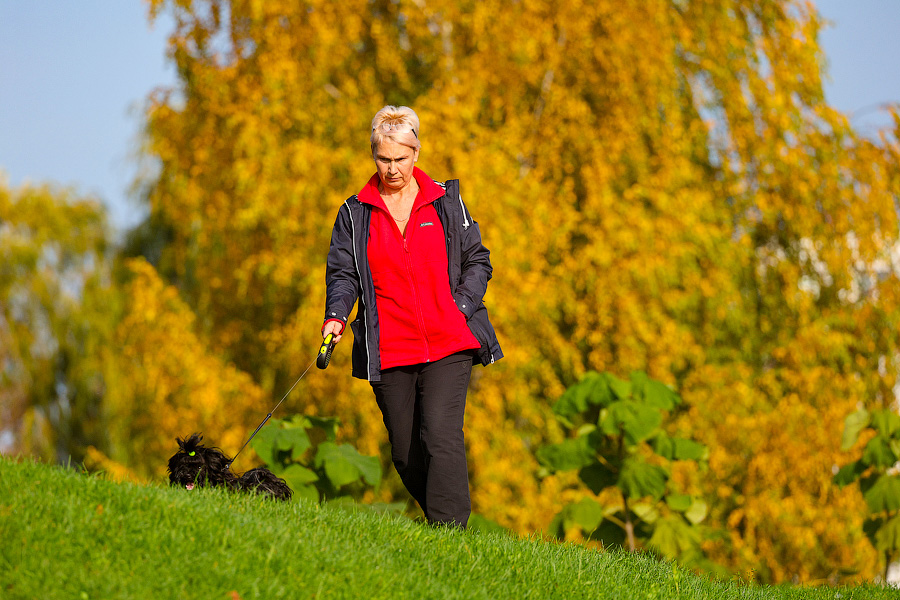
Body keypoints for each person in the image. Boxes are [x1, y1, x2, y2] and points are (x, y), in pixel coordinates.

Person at [321, 105, 502, 528]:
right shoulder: (354, 213)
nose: (392, 169)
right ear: (373, 155)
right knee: (405, 453)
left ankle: (451, 536)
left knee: (439, 435)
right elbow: (344, 274)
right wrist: (335, 316)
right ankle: (441, 521)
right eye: (383, 159)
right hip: (390, 348)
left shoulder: (445, 201)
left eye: (401, 158)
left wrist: (460, 308)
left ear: (416, 153)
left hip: (449, 340)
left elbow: (478, 260)